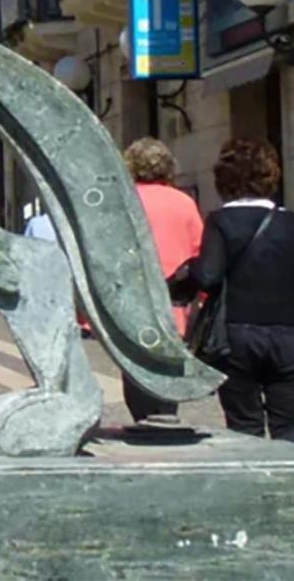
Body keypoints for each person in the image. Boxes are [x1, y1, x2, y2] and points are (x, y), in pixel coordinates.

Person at [189, 137, 294, 447]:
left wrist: (189, 271)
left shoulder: (221, 221)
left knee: (245, 426)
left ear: (223, 179)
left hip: (238, 336)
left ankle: (253, 488)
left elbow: (209, 277)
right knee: (293, 423)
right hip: (293, 336)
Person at [121, 137, 204, 424]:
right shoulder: (184, 202)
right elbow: (198, 253)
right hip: (175, 307)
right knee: (168, 374)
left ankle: (144, 421)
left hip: (134, 306)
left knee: (136, 373)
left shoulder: (123, 201)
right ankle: (166, 417)